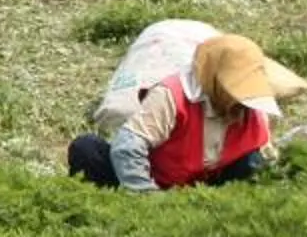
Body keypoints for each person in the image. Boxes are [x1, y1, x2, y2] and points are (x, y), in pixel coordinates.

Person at [68, 31, 284, 190]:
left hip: (204, 189)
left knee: (252, 163)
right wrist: (147, 197)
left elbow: (266, 157)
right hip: (154, 180)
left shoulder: (254, 108)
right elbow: (127, 147)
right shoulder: (172, 96)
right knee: (86, 149)